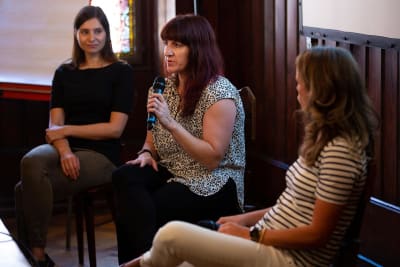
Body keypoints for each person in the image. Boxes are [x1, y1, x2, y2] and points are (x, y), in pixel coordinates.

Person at [120, 46, 380, 267]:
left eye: (302, 81)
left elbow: (318, 235)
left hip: (288, 258)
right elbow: (292, 206)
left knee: (172, 235)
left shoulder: (342, 150)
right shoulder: (327, 139)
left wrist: (252, 235)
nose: (297, 87)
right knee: (182, 258)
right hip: (270, 239)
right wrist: (242, 220)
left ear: (324, 89)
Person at [112, 14, 245, 264]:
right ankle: (143, 260)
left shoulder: (219, 92)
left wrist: (171, 124)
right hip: (173, 169)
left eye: (177, 45)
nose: (168, 52)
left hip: (214, 180)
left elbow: (212, 158)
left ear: (197, 50)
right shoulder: (162, 87)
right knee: (124, 176)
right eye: (167, 44)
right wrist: (146, 153)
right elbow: (151, 140)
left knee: (152, 206)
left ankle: (142, 262)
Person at [14, 6, 134, 267]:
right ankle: (37, 256)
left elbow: (114, 129)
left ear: (107, 33)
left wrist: (66, 131)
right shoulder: (63, 73)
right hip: (66, 148)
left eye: (98, 31)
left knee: (24, 190)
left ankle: (33, 256)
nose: (92, 37)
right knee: (31, 162)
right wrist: (65, 150)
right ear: (76, 35)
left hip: (102, 154)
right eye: (85, 31)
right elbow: (54, 124)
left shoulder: (121, 71)